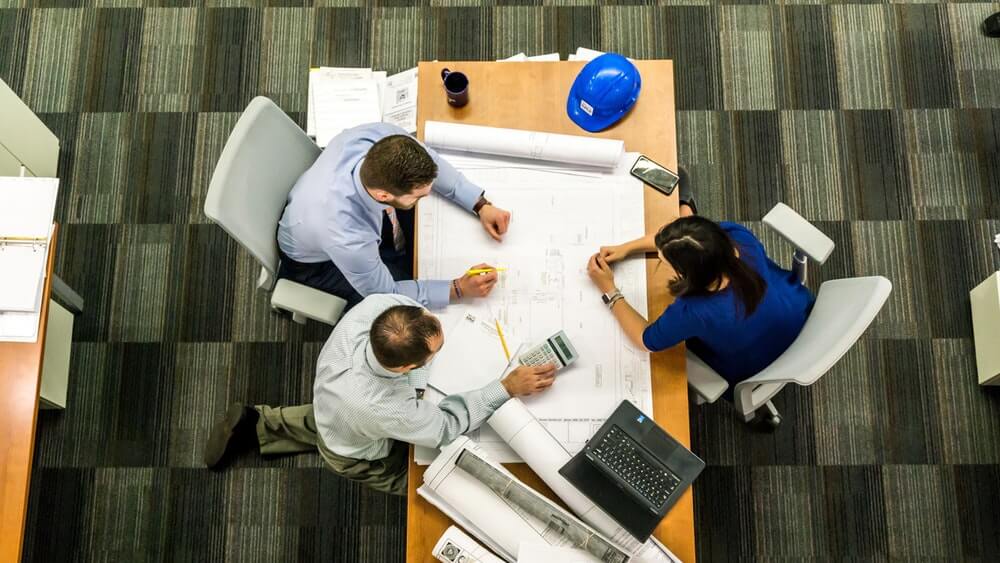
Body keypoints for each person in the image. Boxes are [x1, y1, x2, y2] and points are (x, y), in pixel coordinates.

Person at [203, 294, 556, 495]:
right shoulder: (385, 408)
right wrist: (505, 387)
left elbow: (414, 315)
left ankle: (259, 423)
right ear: (406, 368)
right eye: (436, 351)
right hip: (355, 450)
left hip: (333, 401)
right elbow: (445, 427)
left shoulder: (378, 309)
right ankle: (426, 490)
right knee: (422, 481)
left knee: (329, 419)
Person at [585, 186, 813, 411]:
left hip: (755, 364)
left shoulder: (695, 310)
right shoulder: (737, 238)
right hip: (799, 313)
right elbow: (687, 241)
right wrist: (626, 248)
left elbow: (646, 340)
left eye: (666, 262)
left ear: (687, 275)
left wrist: (610, 290)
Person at [277, 122, 513, 310]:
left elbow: (432, 162)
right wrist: (457, 289)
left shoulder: (382, 139)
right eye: (419, 196)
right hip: (317, 264)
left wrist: (479, 204)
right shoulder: (347, 236)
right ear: (383, 195)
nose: (426, 196)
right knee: (404, 305)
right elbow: (386, 293)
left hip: (320, 210)